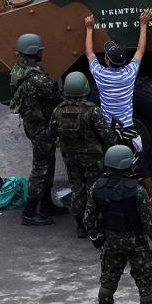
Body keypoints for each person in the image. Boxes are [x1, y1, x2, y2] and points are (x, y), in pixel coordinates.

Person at [85, 145, 152, 304]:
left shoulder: (97, 187)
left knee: (108, 284)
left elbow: (88, 219)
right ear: (125, 165)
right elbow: (148, 222)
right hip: (137, 244)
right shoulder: (137, 191)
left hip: (111, 242)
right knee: (146, 286)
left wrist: (95, 238)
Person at [85, 8, 152, 210]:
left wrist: (88, 29)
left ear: (107, 61)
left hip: (107, 132)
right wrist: (143, 24)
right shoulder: (130, 73)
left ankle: (102, 205)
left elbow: (89, 53)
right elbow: (140, 50)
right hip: (128, 131)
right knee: (141, 168)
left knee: (105, 168)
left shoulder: (101, 75)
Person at [49, 72, 116, 238]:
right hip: (92, 159)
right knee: (94, 191)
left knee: (77, 191)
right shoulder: (92, 111)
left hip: (71, 158)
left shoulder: (59, 110)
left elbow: (51, 133)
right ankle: (94, 226)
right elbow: (106, 136)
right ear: (85, 88)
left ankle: (80, 227)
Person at [10, 33, 62, 226]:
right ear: (34, 52)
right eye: (40, 50)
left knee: (48, 165)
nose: (42, 53)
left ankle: (46, 205)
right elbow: (55, 97)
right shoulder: (37, 78)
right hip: (41, 128)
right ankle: (29, 212)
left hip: (32, 124)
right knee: (41, 169)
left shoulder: (19, 69)